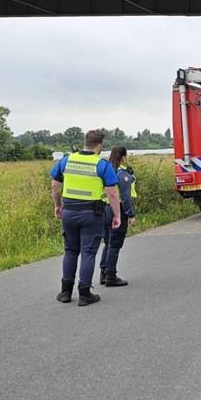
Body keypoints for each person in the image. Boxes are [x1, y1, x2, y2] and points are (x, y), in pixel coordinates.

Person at [50, 130, 122, 306]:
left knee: (70, 251)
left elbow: (54, 186)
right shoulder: (102, 165)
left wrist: (58, 206)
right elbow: (112, 194)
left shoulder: (66, 160)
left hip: (69, 212)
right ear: (99, 146)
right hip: (91, 214)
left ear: (85, 142)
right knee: (88, 252)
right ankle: (84, 293)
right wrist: (117, 215)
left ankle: (66, 292)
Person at [98, 146, 137, 287]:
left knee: (108, 242)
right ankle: (111, 276)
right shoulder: (123, 175)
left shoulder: (107, 171)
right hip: (117, 209)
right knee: (115, 244)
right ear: (123, 157)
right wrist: (131, 215)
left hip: (104, 209)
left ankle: (103, 273)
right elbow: (125, 197)